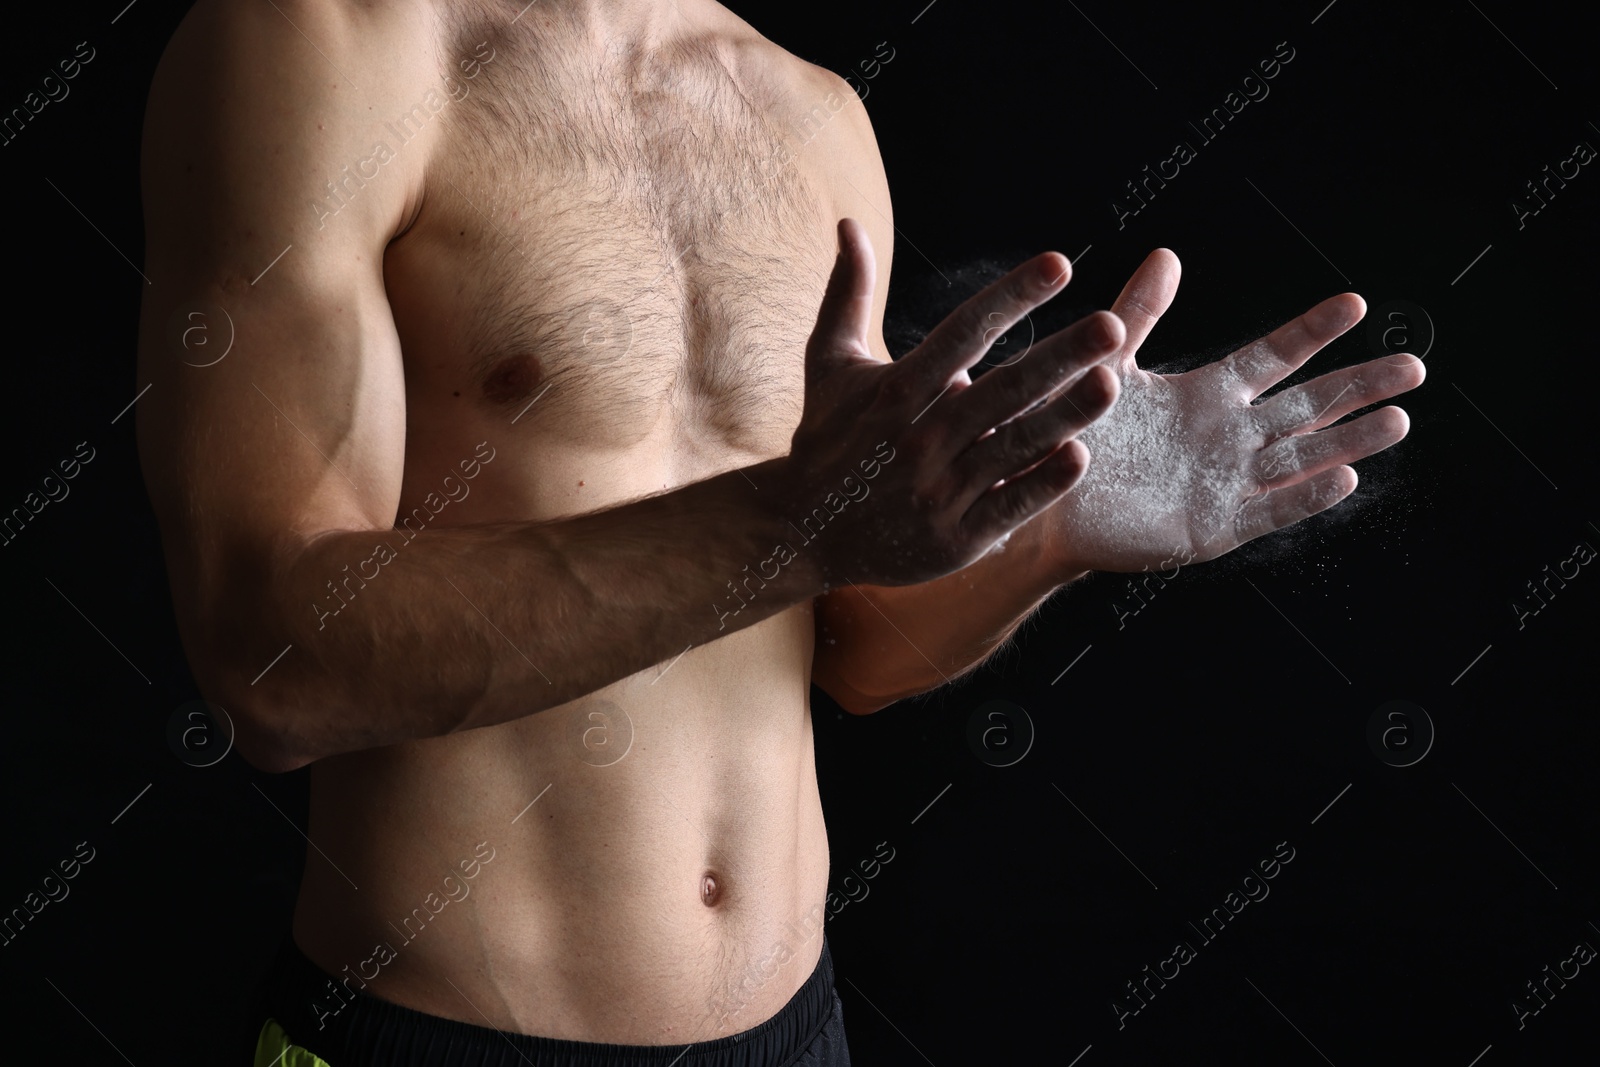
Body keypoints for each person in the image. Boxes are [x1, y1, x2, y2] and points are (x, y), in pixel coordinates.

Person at [134, 1, 1424, 1064]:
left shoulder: (813, 118)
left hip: (790, 1033)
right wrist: (796, 526)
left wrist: (1048, 523)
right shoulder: (323, 48)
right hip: (440, 1033)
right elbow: (273, 665)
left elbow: (849, 650)